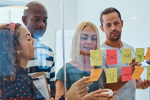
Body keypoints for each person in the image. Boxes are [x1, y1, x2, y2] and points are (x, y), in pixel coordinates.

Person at [100, 7, 150, 100]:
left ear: (121, 23)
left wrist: (141, 84)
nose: (113, 28)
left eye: (116, 23)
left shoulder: (130, 48)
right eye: (108, 25)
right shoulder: (100, 53)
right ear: (102, 28)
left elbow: (134, 81)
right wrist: (128, 73)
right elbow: (104, 89)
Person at [55, 22, 115, 100]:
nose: (89, 42)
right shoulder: (65, 71)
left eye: (93, 39)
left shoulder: (99, 70)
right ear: (76, 41)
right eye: (84, 38)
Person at [0, 23, 45, 99]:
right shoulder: (21, 83)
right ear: (16, 47)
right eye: (28, 39)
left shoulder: (14, 79)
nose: (34, 40)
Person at [22, 1, 55, 97]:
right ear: (25, 20)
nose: (42, 24)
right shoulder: (16, 51)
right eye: (36, 19)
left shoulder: (49, 52)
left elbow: (52, 86)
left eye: (45, 20)